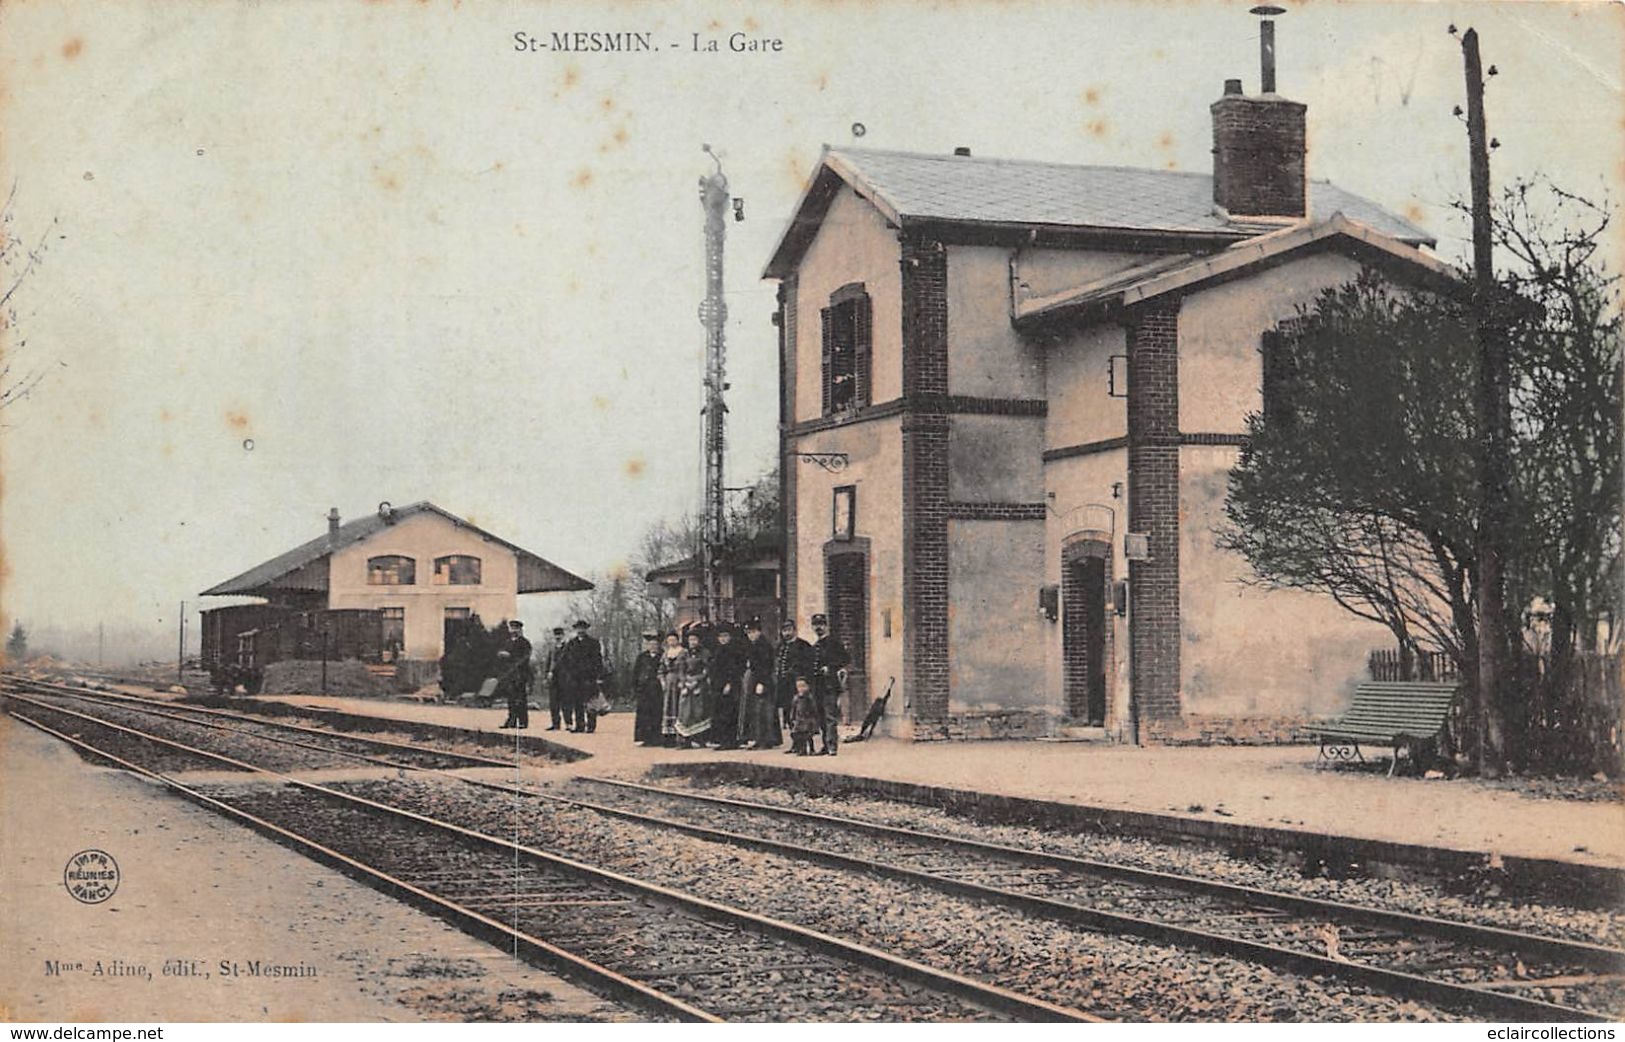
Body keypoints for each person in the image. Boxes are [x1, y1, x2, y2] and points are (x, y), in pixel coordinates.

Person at [771, 619, 815, 753]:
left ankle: (801, 744)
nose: (786, 633)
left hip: (797, 686)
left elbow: (809, 665)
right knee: (788, 715)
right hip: (784, 686)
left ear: (794, 630)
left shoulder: (803, 645)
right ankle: (795, 743)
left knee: (800, 715)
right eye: (784, 630)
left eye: (789, 630)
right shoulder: (781, 646)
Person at [810, 613, 850, 757]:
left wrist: (830, 667)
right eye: (815, 625)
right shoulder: (815, 646)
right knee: (820, 717)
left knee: (830, 717)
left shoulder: (834, 643)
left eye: (821, 624)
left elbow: (845, 659)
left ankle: (832, 746)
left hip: (830, 685)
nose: (818, 628)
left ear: (826, 626)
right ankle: (826, 745)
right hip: (818, 686)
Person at [556, 619, 606, 733]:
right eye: (578, 628)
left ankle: (591, 725)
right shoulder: (571, 643)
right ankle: (580, 725)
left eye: (582, 628)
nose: (580, 630)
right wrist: (568, 673)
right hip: (575, 677)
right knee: (577, 702)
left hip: (589, 677)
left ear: (586, 629)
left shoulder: (593, 643)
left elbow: (598, 661)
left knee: (590, 701)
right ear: (575, 629)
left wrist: (596, 675)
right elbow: (564, 660)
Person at [739, 617, 780, 749]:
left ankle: (764, 739)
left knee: (762, 711)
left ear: (758, 632)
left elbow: (766, 666)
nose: (750, 635)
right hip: (755, 679)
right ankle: (759, 738)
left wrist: (761, 683)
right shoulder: (754, 645)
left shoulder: (764, 646)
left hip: (763, 681)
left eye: (752, 632)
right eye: (748, 633)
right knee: (756, 711)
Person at [672, 628, 713, 748]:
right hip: (686, 684)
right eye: (690, 640)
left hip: (699, 684)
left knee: (699, 712)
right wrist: (684, 681)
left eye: (695, 639)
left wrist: (697, 680)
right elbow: (680, 669)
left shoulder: (705, 653)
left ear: (699, 640)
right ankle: (684, 740)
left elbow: (707, 670)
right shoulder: (684, 653)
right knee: (684, 712)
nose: (692, 642)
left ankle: (700, 739)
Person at [710, 624, 747, 749]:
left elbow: (735, 669)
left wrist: (729, 683)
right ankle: (722, 740)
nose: (723, 639)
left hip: (730, 685)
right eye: (720, 636)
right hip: (718, 686)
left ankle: (730, 741)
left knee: (729, 713)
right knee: (720, 713)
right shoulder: (718, 650)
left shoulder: (733, 650)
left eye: (725, 636)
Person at [497, 620, 534, 729]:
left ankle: (523, 721)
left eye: (516, 628)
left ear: (520, 629)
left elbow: (525, 657)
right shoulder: (507, 642)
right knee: (511, 698)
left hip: (521, 673)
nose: (514, 630)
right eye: (512, 628)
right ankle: (511, 720)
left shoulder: (525, 643)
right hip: (510, 674)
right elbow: (502, 656)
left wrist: (510, 656)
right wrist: (501, 656)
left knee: (521, 697)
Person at [631, 631, 665, 745]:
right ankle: (643, 738)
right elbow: (636, 673)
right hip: (643, 689)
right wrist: (635, 687)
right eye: (651, 644)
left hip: (657, 689)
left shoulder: (663, 656)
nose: (653, 647)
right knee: (643, 714)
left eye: (655, 644)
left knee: (657, 713)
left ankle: (656, 738)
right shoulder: (642, 657)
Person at [657, 631, 685, 746]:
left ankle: (681, 736)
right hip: (669, 682)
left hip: (680, 681)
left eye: (674, 639)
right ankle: (669, 737)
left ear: (678, 640)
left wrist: (683, 681)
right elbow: (661, 670)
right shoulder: (666, 653)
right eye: (669, 640)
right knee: (668, 707)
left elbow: (687, 668)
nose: (671, 642)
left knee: (679, 707)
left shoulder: (683, 652)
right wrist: (662, 681)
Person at [542, 626, 570, 731]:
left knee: (566, 702)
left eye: (559, 635)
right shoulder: (552, 648)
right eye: (556, 635)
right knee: (553, 702)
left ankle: (568, 723)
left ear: (563, 635)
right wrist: (546, 675)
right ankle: (555, 723)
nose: (557, 637)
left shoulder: (567, 647)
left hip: (564, 678)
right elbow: (548, 663)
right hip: (553, 678)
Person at [789, 676, 820, 756]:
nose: (801, 689)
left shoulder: (809, 698)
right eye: (799, 687)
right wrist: (792, 718)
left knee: (808, 736)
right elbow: (793, 709)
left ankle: (811, 749)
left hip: (808, 720)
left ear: (808, 687)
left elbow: (814, 709)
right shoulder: (796, 698)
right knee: (799, 736)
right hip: (799, 720)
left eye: (803, 686)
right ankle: (802, 750)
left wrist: (814, 720)